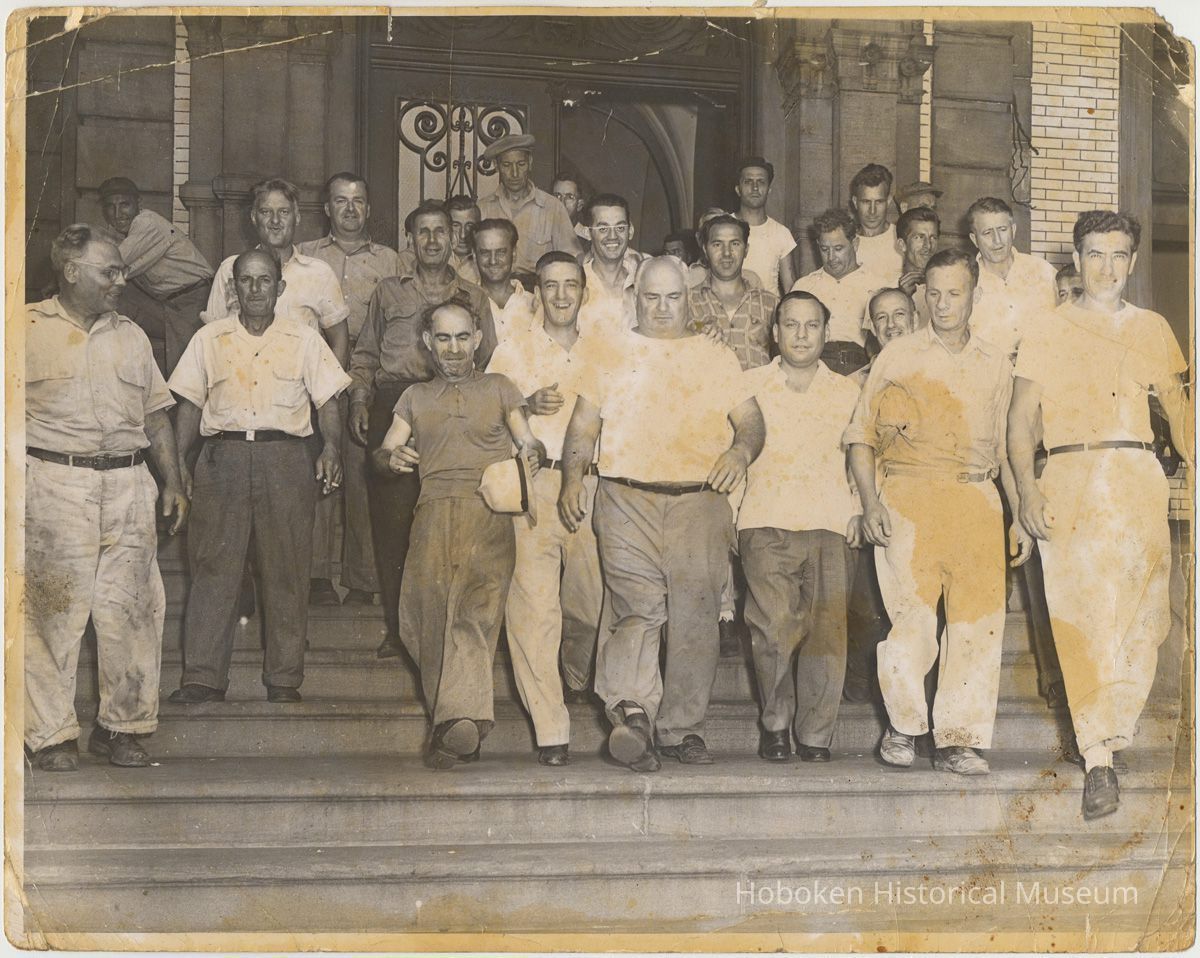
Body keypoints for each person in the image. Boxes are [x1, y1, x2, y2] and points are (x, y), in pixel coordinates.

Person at [1008, 210, 1191, 820]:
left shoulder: (1153, 326)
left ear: (1133, 262)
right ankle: (1098, 758)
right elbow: (1017, 423)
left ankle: (1112, 726)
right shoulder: (1046, 328)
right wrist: (1027, 493)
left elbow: (1177, 407)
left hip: (1137, 477)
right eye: (1093, 254)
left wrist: (1190, 467)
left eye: (1117, 255)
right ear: (1077, 258)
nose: (1105, 267)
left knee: (1147, 621)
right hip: (1070, 474)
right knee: (1080, 617)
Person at [558, 257, 766, 771]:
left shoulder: (714, 356)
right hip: (626, 497)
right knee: (636, 607)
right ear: (636, 297)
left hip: (698, 500)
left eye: (672, 297)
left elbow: (752, 424)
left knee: (695, 620)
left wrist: (739, 453)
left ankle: (682, 728)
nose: (662, 308)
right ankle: (633, 713)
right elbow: (582, 428)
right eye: (651, 297)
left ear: (688, 298)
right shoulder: (609, 353)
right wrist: (570, 479)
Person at [845, 248, 1030, 777]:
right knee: (914, 621)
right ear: (922, 294)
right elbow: (861, 438)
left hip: (975, 499)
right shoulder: (898, 356)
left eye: (956, 292)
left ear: (975, 294)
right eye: (935, 293)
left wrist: (1017, 515)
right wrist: (871, 501)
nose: (944, 303)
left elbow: (1004, 449)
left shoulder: (997, 362)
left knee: (976, 625)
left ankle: (958, 739)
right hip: (910, 499)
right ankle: (902, 726)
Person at [24, 224, 188, 772]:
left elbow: (155, 414)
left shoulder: (132, 335)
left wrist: (174, 481)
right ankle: (49, 735)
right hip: (52, 483)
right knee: (51, 611)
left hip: (127, 484)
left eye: (121, 270)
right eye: (109, 271)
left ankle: (123, 728)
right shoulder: (21, 327)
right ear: (71, 272)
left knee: (134, 610)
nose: (122, 280)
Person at [167, 250, 350, 705]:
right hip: (221, 459)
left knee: (287, 569)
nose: (254, 290)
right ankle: (203, 677)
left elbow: (328, 400)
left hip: (285, 459)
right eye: (245, 281)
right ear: (233, 288)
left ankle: (284, 678)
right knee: (213, 567)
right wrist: (178, 467)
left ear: (280, 288)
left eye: (264, 281)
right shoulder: (209, 338)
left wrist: (330, 447)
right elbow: (189, 403)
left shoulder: (305, 339)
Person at [375, 297, 544, 769]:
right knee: (420, 622)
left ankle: (459, 722)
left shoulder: (499, 387)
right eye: (443, 338)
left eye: (463, 337)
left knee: (472, 616)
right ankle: (453, 725)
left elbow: (527, 437)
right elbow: (387, 449)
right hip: (429, 517)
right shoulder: (413, 398)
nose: (453, 348)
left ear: (478, 340)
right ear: (428, 344)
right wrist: (391, 459)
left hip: (486, 515)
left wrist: (532, 452)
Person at [348, 200, 496, 658]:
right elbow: (367, 355)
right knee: (395, 522)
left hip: (455, 402)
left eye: (441, 231)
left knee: (456, 516)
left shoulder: (474, 296)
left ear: (455, 239)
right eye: (422, 232)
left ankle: (455, 628)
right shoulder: (388, 292)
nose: (432, 240)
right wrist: (360, 398)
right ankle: (400, 629)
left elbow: (488, 357)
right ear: (410, 240)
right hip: (396, 406)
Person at [203, 178, 351, 607]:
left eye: (282, 212)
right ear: (253, 219)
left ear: (297, 217)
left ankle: (300, 592)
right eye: (265, 212)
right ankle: (248, 589)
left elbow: (338, 335)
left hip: (299, 410)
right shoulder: (230, 269)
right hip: (243, 409)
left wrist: (331, 391)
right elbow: (213, 334)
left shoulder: (317, 273)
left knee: (292, 514)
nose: (274, 220)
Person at [487, 251, 603, 766]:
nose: (560, 295)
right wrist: (522, 408)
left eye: (570, 285)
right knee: (534, 610)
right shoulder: (513, 350)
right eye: (551, 285)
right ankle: (551, 728)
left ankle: (577, 674)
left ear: (584, 292)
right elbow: (486, 417)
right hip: (532, 485)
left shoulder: (606, 351)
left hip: (593, 488)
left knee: (591, 604)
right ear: (537, 293)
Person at [739, 292, 862, 763]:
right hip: (765, 519)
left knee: (827, 632)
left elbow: (860, 457)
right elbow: (737, 449)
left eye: (812, 326)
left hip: (830, 521)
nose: (801, 335)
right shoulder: (751, 385)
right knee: (772, 629)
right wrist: (734, 517)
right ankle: (775, 722)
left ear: (826, 333)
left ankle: (815, 735)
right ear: (775, 332)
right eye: (791, 325)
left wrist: (856, 507)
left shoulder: (847, 391)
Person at [298, 173, 401, 608]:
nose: (350, 209)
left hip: (368, 368)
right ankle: (318, 574)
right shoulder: (305, 256)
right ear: (327, 208)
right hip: (315, 367)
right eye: (341, 201)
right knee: (320, 464)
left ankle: (362, 578)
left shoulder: (391, 261)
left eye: (358, 201)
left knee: (360, 471)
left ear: (369, 209)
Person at [842, 287, 920, 704]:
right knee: (867, 608)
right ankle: (862, 694)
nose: (892, 325)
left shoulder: (935, 371)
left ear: (915, 317)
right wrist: (858, 509)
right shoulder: (856, 383)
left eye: (900, 315)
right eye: (882, 318)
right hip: (875, 506)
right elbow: (850, 452)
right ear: (870, 327)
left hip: (924, 503)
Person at [95, 176, 213, 376]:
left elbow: (110, 265)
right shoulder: (131, 231)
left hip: (195, 302)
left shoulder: (147, 223)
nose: (117, 214)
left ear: (138, 204)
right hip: (172, 303)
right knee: (111, 299)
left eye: (124, 205)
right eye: (110, 207)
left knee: (185, 378)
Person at [791, 208, 882, 375]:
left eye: (838, 248)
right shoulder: (804, 286)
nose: (831, 257)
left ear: (855, 244)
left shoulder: (877, 286)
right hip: (814, 368)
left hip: (860, 368)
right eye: (825, 250)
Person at [478, 133, 582, 277]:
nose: (515, 173)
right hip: (493, 291)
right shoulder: (482, 208)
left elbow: (572, 259)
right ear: (497, 166)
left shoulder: (552, 207)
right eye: (507, 165)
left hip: (537, 291)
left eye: (521, 164)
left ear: (530, 162)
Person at [965, 196, 1058, 357]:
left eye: (1002, 230)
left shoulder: (1043, 271)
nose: (997, 240)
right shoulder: (964, 281)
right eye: (987, 233)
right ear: (974, 239)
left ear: (1013, 230)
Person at [687, 213, 777, 371]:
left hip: (759, 393)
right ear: (705, 250)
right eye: (717, 244)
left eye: (735, 244)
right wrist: (697, 329)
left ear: (746, 249)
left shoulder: (771, 303)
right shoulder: (686, 301)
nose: (726, 253)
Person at [578, 193, 646, 336]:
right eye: (603, 229)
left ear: (631, 231)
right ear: (587, 233)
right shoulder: (575, 283)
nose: (612, 236)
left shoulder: (644, 282)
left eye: (620, 228)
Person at [733, 156, 797, 295]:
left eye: (761, 182)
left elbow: (790, 288)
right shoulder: (723, 227)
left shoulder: (781, 233)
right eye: (748, 181)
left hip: (768, 313)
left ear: (769, 190)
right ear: (738, 189)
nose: (755, 187)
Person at [474, 218, 535, 343]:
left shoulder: (536, 305)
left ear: (514, 253)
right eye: (485, 253)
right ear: (474, 256)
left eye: (501, 252)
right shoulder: (464, 304)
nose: (493, 261)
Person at [848, 164, 903, 281]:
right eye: (866, 202)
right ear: (855, 202)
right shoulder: (845, 241)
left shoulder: (901, 237)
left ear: (888, 201)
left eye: (879, 202)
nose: (872, 211)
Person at [445, 195, 482, 285]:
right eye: (456, 225)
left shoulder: (488, 263)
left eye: (469, 225)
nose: (463, 235)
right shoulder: (432, 260)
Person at [551, 171, 592, 247]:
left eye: (569, 197)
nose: (561, 203)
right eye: (557, 196)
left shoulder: (589, 241)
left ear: (579, 205)